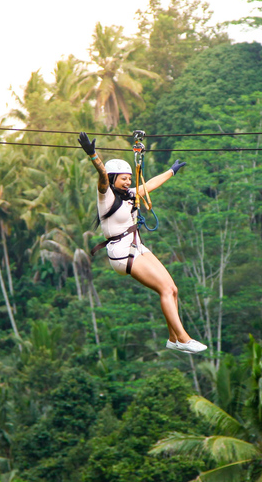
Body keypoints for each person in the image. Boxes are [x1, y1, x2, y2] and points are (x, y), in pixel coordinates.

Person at [78, 131, 207, 354]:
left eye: (129, 177)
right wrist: (92, 155)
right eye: (123, 178)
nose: (128, 181)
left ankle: (173, 338)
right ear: (112, 179)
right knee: (165, 289)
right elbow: (101, 173)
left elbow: (150, 185)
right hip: (122, 254)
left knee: (173, 289)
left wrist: (172, 171)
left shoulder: (129, 194)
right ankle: (184, 338)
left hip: (136, 246)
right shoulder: (105, 195)